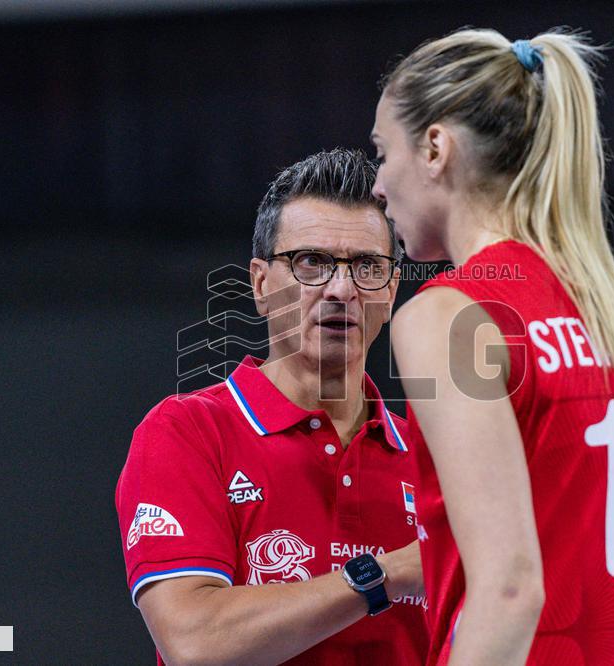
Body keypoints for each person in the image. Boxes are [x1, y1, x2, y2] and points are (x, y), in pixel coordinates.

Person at [369, 28, 614, 664]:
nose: (378, 184)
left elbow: (510, 591)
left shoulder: (449, 315)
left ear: (435, 148)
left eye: (382, 151)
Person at [115, 149, 427, 665]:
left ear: (391, 290)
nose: (341, 289)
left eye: (368, 266)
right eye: (312, 262)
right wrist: (389, 574)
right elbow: (195, 644)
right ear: (260, 285)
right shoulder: (187, 432)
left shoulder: (434, 452)